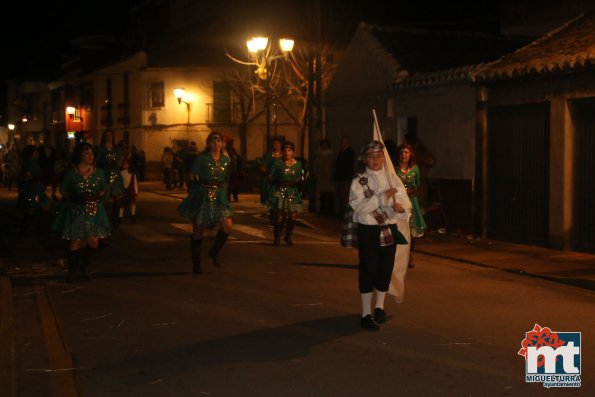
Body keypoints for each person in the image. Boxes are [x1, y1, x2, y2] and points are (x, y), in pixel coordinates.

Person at [349, 140, 410, 331]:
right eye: (371, 156)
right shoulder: (358, 182)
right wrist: (382, 198)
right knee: (368, 269)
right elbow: (359, 208)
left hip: (389, 229)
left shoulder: (393, 178)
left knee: (385, 268)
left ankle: (379, 308)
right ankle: (366, 313)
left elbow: (405, 204)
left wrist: (398, 208)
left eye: (379, 156)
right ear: (364, 159)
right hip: (369, 230)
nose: (375, 160)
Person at [53, 142, 110, 282]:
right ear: (80, 155)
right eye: (87, 153)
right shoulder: (71, 174)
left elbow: (103, 191)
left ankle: (85, 266)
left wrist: (95, 198)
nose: (90, 156)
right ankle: (72, 271)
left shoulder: (99, 173)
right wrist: (76, 197)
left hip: (93, 211)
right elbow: (64, 191)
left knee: (94, 242)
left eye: (92, 153)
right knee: (75, 242)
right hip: (76, 210)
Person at [177, 131, 233, 274]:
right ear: (208, 143)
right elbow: (191, 175)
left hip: (219, 195)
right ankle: (196, 264)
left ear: (222, 144)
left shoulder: (226, 161)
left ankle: (214, 252)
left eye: (219, 140)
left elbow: (225, 179)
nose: (216, 143)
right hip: (203, 194)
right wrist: (198, 189)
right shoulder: (202, 158)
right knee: (198, 230)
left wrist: (226, 195)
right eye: (213, 141)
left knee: (227, 225)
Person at [396, 143, 428, 268]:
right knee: (399, 228)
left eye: (406, 152)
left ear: (410, 155)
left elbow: (418, 184)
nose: (404, 155)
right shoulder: (395, 169)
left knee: (411, 230)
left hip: (411, 201)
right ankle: (398, 255)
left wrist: (412, 191)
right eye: (401, 152)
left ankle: (409, 255)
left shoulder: (415, 169)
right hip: (399, 201)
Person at [266, 141, 303, 246]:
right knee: (280, 215)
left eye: (290, 150)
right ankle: (277, 238)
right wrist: (276, 180)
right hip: (281, 190)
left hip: (292, 191)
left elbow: (299, 177)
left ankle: (288, 236)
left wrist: (297, 182)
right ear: (282, 152)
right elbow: (270, 176)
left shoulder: (297, 165)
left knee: (293, 215)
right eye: (285, 150)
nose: (287, 152)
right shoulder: (277, 163)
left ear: (293, 152)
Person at [17, 145, 50, 235]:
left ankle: (31, 228)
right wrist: (37, 179)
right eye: (36, 152)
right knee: (35, 207)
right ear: (32, 153)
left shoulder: (30, 162)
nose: (37, 153)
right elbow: (27, 176)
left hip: (33, 188)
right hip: (33, 189)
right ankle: (33, 229)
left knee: (35, 207)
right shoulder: (31, 163)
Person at [96, 129, 124, 229]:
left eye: (110, 135)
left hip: (115, 174)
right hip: (104, 174)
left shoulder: (116, 149)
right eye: (107, 135)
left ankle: (115, 219)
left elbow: (120, 160)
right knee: (104, 199)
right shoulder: (100, 149)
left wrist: (119, 164)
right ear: (104, 137)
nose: (109, 137)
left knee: (118, 199)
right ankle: (103, 219)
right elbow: (97, 161)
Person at [259, 137, 283, 221]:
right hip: (272, 181)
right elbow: (263, 167)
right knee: (273, 199)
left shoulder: (284, 155)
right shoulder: (269, 155)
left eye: (278, 144)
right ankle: (273, 217)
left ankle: (280, 219)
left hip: (282, 181)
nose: (276, 145)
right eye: (275, 144)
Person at [333, 136, 356, 218]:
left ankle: (345, 213)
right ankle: (339, 212)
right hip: (339, 177)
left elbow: (348, 166)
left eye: (344, 142)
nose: (343, 143)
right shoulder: (341, 152)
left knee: (345, 196)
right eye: (342, 142)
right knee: (338, 196)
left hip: (346, 178)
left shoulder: (350, 152)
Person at [315, 138, 335, 215]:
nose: (324, 146)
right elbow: (316, 165)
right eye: (323, 145)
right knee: (322, 195)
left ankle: (330, 211)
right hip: (321, 177)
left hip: (329, 176)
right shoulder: (319, 154)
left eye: (325, 144)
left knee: (329, 195)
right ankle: (322, 210)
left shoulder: (332, 154)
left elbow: (333, 166)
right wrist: (316, 174)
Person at [38, 131, 58, 201]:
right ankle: (42, 194)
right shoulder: (40, 149)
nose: (48, 143)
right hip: (42, 167)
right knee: (42, 182)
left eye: (49, 141)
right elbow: (38, 158)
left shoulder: (53, 150)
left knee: (54, 181)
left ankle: (53, 194)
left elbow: (55, 158)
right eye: (46, 141)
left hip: (51, 168)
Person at [117, 158, 139, 225]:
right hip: (123, 190)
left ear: (129, 165)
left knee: (132, 204)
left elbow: (135, 183)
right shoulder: (120, 173)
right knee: (122, 205)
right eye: (124, 164)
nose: (125, 165)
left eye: (126, 164)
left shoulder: (132, 174)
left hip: (130, 191)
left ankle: (133, 216)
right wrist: (118, 192)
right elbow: (118, 183)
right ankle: (120, 217)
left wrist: (136, 192)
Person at [225, 137, 244, 202]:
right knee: (230, 185)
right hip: (228, 171)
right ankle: (229, 197)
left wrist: (239, 170)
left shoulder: (233, 151)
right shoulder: (226, 151)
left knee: (234, 185)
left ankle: (234, 196)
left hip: (233, 171)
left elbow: (238, 160)